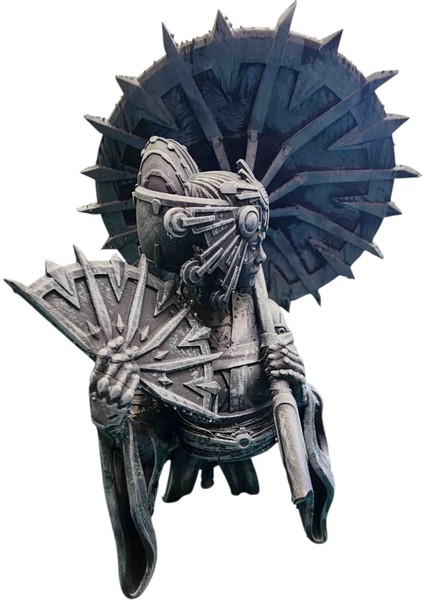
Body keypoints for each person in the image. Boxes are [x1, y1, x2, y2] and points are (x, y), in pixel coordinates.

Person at [89, 137, 334, 597]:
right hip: (188, 437)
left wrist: (298, 388)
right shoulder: (159, 328)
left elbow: (301, 403)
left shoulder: (268, 316)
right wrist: (113, 423)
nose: (260, 256)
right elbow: (148, 426)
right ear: (211, 249)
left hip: (260, 435)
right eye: (249, 244)